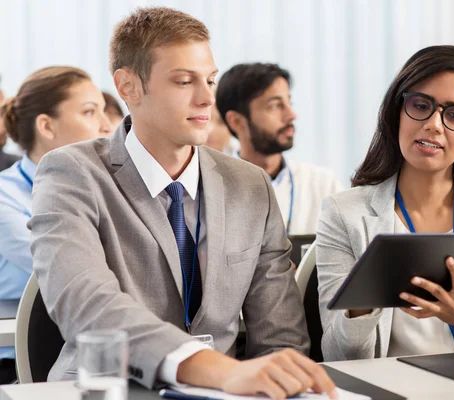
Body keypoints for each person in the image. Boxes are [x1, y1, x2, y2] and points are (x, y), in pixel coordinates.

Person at [29, 8, 336, 399]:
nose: (208, 97)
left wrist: (281, 384)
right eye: (184, 81)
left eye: (210, 80)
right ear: (128, 87)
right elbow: (87, 306)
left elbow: (281, 336)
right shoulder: (72, 173)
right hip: (111, 389)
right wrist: (218, 370)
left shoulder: (250, 185)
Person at [317, 45, 454, 361]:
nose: (434, 124)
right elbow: (338, 356)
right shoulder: (342, 213)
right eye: (421, 105)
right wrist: (360, 304)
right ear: (397, 113)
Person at [0, 66, 111, 384]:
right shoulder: (3, 196)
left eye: (104, 111)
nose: (107, 126)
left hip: (100, 352)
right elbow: (67, 266)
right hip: (18, 365)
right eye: (90, 112)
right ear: (47, 126)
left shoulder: (108, 189)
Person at [216, 63, 343, 235]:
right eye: (275, 106)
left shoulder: (324, 185)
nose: (291, 115)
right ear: (236, 121)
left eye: (289, 102)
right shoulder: (210, 190)